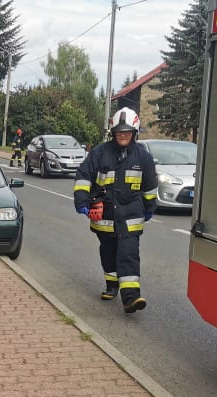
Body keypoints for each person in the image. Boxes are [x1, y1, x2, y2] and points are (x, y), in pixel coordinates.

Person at [72, 107, 157, 313]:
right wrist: (82, 201)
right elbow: (83, 176)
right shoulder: (99, 153)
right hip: (105, 216)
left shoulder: (143, 158)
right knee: (108, 252)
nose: (123, 135)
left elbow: (150, 186)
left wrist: (149, 208)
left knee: (128, 254)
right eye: (119, 132)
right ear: (113, 132)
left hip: (131, 216)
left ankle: (131, 298)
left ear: (134, 132)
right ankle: (112, 285)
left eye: (127, 132)